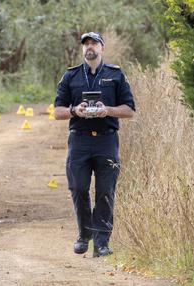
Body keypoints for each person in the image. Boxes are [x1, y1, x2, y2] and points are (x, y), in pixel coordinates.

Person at [53, 31, 136, 257]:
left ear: (102, 48)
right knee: (78, 188)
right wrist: (74, 110)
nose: (90, 47)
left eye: (94, 44)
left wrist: (107, 110)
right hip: (79, 140)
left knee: (105, 191)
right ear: (82, 49)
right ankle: (84, 233)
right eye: (86, 44)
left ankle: (101, 243)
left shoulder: (116, 75)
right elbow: (57, 111)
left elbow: (129, 110)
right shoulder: (70, 76)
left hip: (106, 140)